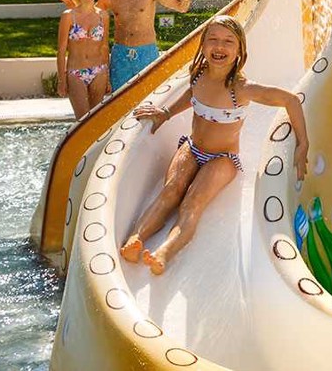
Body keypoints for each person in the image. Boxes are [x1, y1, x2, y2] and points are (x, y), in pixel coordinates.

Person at [119, 15, 309, 274]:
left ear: (240, 49)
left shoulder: (241, 88)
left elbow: (291, 101)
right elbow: (191, 95)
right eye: (213, 40)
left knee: (192, 202)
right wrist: (166, 112)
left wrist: (303, 144)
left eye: (228, 41)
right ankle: (136, 239)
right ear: (203, 45)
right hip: (192, 148)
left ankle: (165, 252)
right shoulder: (198, 75)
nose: (220, 47)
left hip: (223, 159)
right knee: (171, 191)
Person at [57, 0, 195, 91]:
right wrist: (68, 0)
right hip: (120, 55)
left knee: (148, 98)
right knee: (119, 99)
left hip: (146, 52)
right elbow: (87, 16)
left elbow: (181, 7)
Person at [56, 0, 109, 118]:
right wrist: (61, 80)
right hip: (76, 72)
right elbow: (61, 51)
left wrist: (108, 77)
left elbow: (104, 47)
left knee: (95, 119)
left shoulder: (103, 16)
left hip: (99, 71)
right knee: (82, 120)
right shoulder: (68, 16)